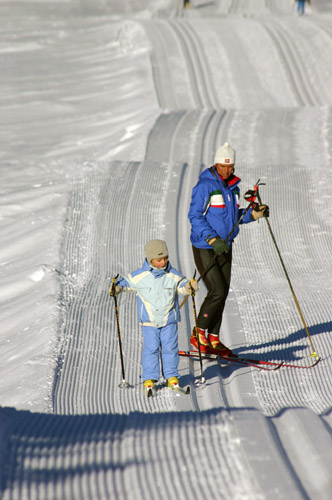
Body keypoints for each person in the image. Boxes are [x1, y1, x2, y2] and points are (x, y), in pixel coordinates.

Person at [188, 142, 268, 357]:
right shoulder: (205, 186)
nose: (227, 170)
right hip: (206, 245)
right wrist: (213, 239)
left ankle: (213, 339)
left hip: (226, 245)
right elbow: (194, 216)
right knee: (217, 291)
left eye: (231, 166)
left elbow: (232, 218)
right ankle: (199, 333)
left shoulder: (232, 187)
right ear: (215, 164)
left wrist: (253, 213)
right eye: (223, 166)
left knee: (223, 293)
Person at [110, 239, 198, 394]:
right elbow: (124, 283)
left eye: (165, 258)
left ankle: (171, 377)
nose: (163, 262)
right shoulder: (140, 276)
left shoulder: (173, 275)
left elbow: (182, 286)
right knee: (151, 349)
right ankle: (149, 378)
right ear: (150, 259)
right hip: (149, 322)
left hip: (169, 320)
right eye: (159, 259)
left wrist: (189, 287)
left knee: (170, 349)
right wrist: (116, 288)